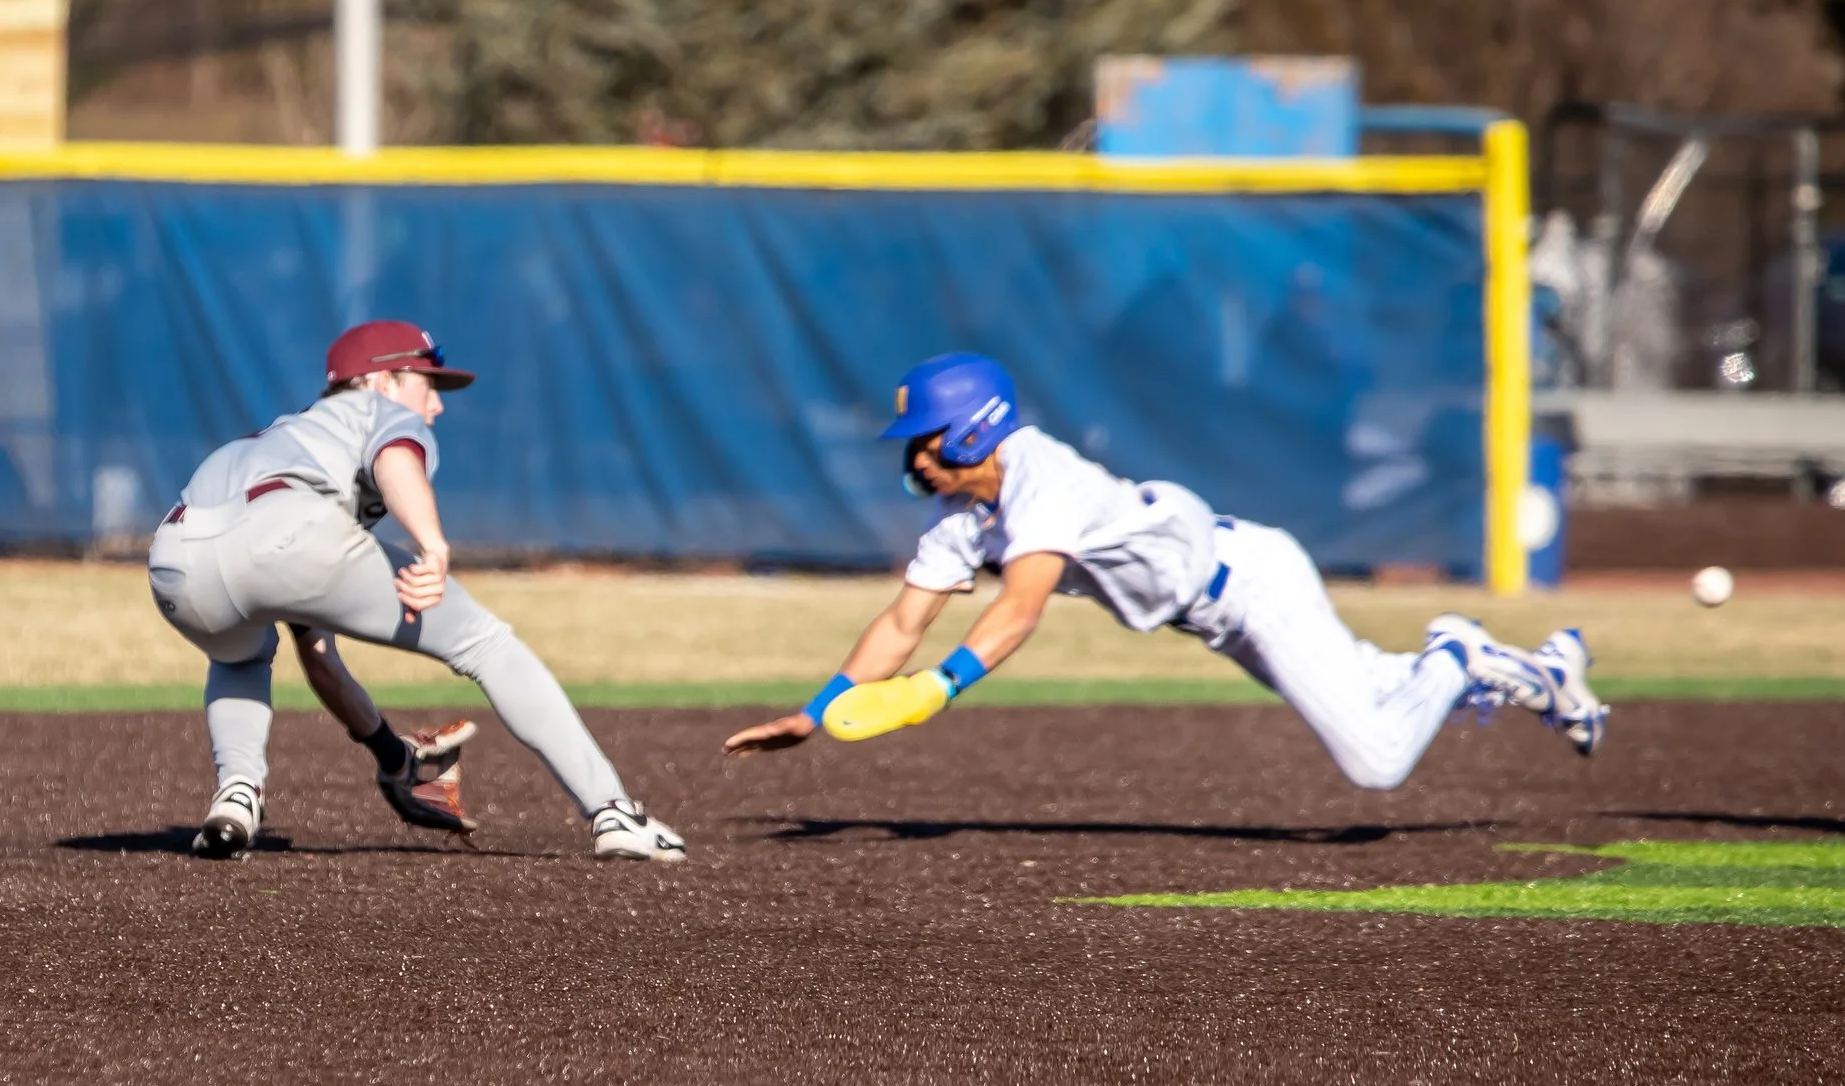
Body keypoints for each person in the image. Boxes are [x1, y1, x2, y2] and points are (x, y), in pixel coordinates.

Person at [723, 352, 1607, 783]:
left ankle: (1457, 650)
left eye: (921, 443)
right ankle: (1541, 673)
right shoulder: (966, 516)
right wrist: (818, 711)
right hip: (1216, 609)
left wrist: (938, 689)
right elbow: (902, 621)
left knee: (1376, 759)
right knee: (1374, 684)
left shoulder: (1043, 475)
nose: (911, 461)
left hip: (1252, 581)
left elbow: (1020, 609)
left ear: (968, 431)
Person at [148, 319, 686, 862]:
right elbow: (395, 459)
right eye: (427, 383)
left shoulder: (288, 440)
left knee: (241, 658)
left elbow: (319, 658)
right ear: (382, 381)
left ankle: (237, 797)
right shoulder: (375, 409)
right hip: (288, 530)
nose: (436, 404)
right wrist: (431, 544)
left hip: (174, 559)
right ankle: (613, 812)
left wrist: (391, 756)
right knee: (487, 644)